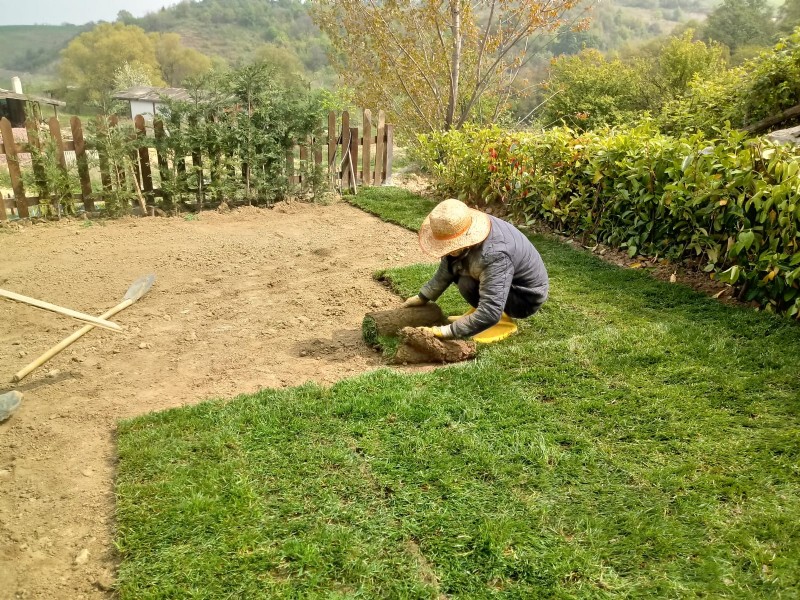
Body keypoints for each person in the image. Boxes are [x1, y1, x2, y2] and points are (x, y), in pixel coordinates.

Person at [403, 199, 549, 340]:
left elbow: (490, 310)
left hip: (524, 298)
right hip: (505, 281)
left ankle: (500, 322)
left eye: (452, 245)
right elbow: (449, 265)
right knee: (465, 282)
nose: (448, 250)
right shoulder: (464, 226)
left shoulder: (495, 254)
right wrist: (423, 296)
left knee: (468, 285)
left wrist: (447, 331)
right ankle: (478, 315)